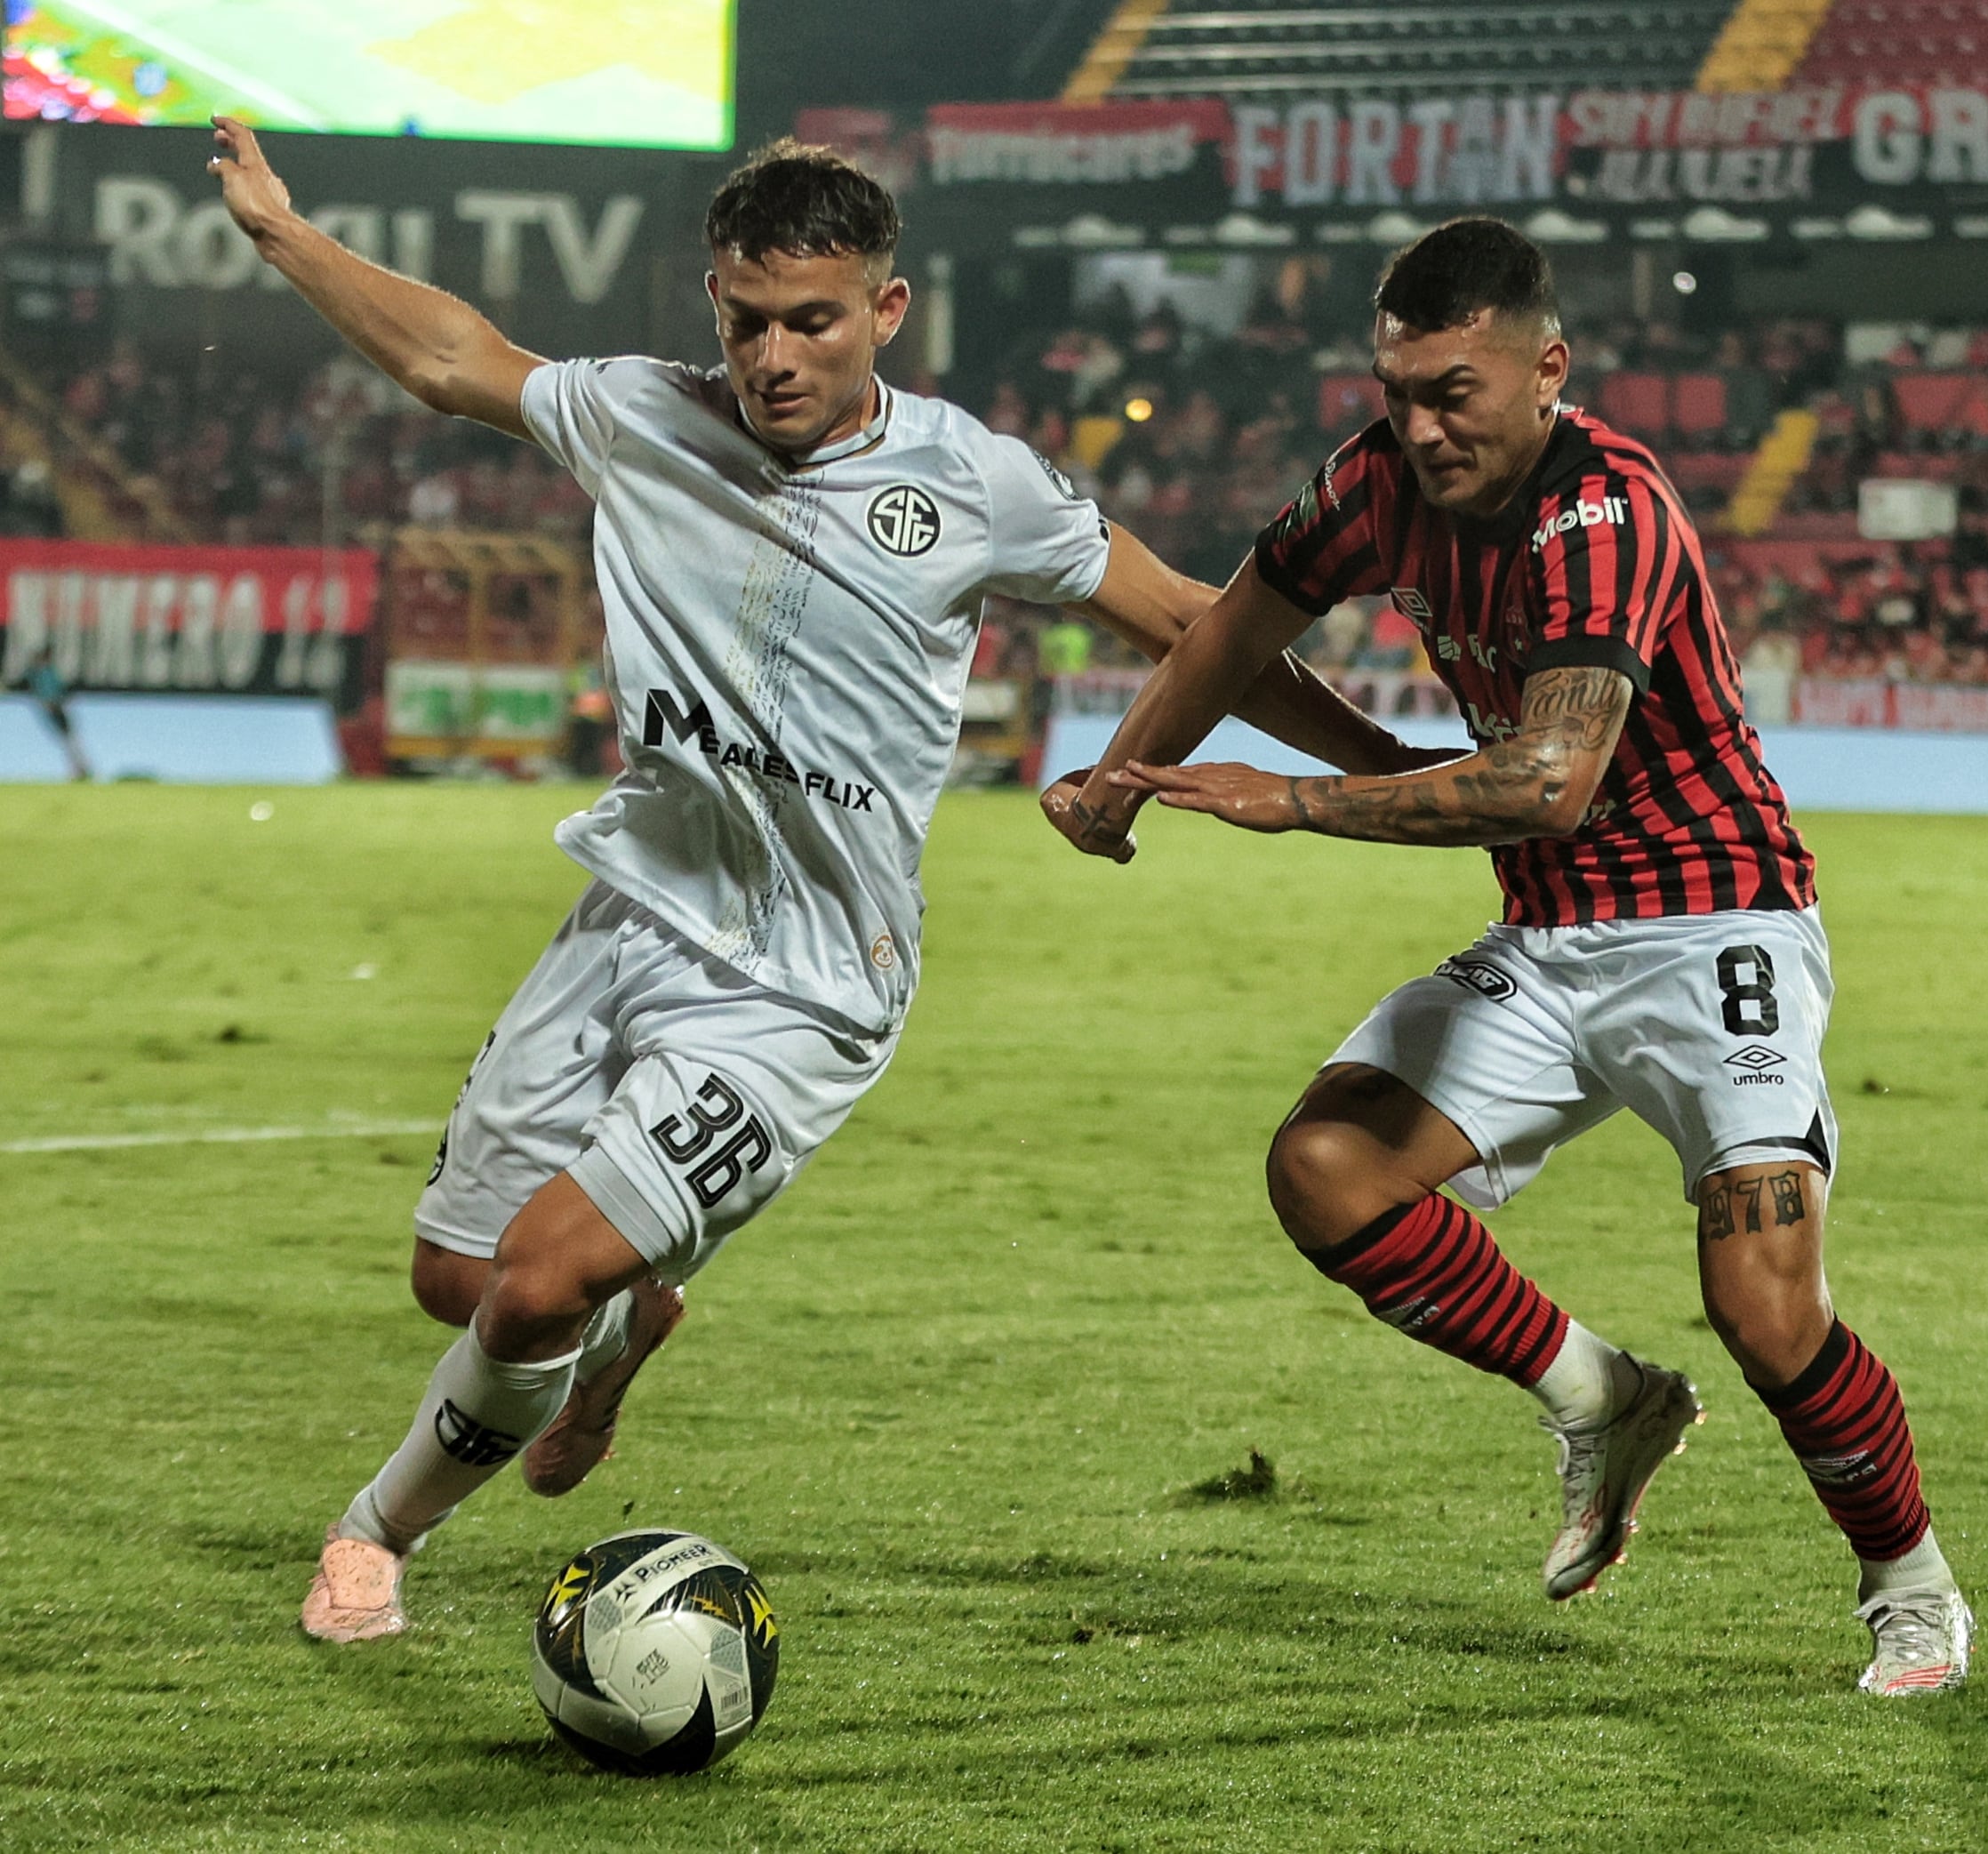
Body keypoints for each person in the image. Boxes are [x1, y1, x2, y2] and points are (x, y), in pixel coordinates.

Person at [206, 118, 1426, 1643]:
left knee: (530, 1288)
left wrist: (1393, 771)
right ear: (711, 306)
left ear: (886, 313)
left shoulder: (968, 481)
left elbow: (1194, 617)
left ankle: (373, 1537)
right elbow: (458, 357)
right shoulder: (644, 415)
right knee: (460, 1281)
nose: (774, 355)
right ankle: (627, 1325)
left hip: (801, 983)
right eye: (745, 319)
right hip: (629, 914)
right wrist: (283, 235)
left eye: (812, 320)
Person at [1046, 219, 1973, 1697]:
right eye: (1397, 390)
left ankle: (1907, 1582)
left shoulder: (1605, 512)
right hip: (1549, 940)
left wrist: (1290, 801)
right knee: (1325, 1169)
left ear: (1548, 369)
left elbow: (1553, 782)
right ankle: (1600, 1398)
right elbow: (1233, 624)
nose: (1417, 428)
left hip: (1713, 921)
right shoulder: (1370, 485)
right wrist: (1120, 774)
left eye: (1451, 393)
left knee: (1764, 1308)